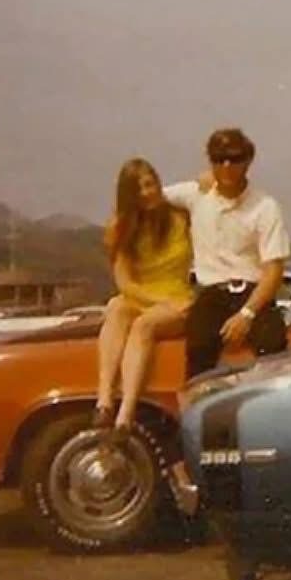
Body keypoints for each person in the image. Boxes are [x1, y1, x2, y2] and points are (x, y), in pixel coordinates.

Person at [163, 128, 291, 378]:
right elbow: (144, 197)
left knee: (274, 351)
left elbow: (274, 270)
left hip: (254, 296)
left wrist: (246, 314)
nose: (226, 166)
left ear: (248, 160)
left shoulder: (265, 207)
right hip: (211, 294)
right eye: (218, 159)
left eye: (234, 159)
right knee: (198, 355)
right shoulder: (195, 195)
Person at [94, 158, 193, 436]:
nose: (147, 193)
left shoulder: (181, 216)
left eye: (151, 184)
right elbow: (124, 283)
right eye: (139, 189)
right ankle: (103, 401)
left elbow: (205, 187)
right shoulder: (121, 227)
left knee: (143, 325)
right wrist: (158, 302)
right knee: (116, 307)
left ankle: (125, 414)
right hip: (143, 296)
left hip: (178, 297)